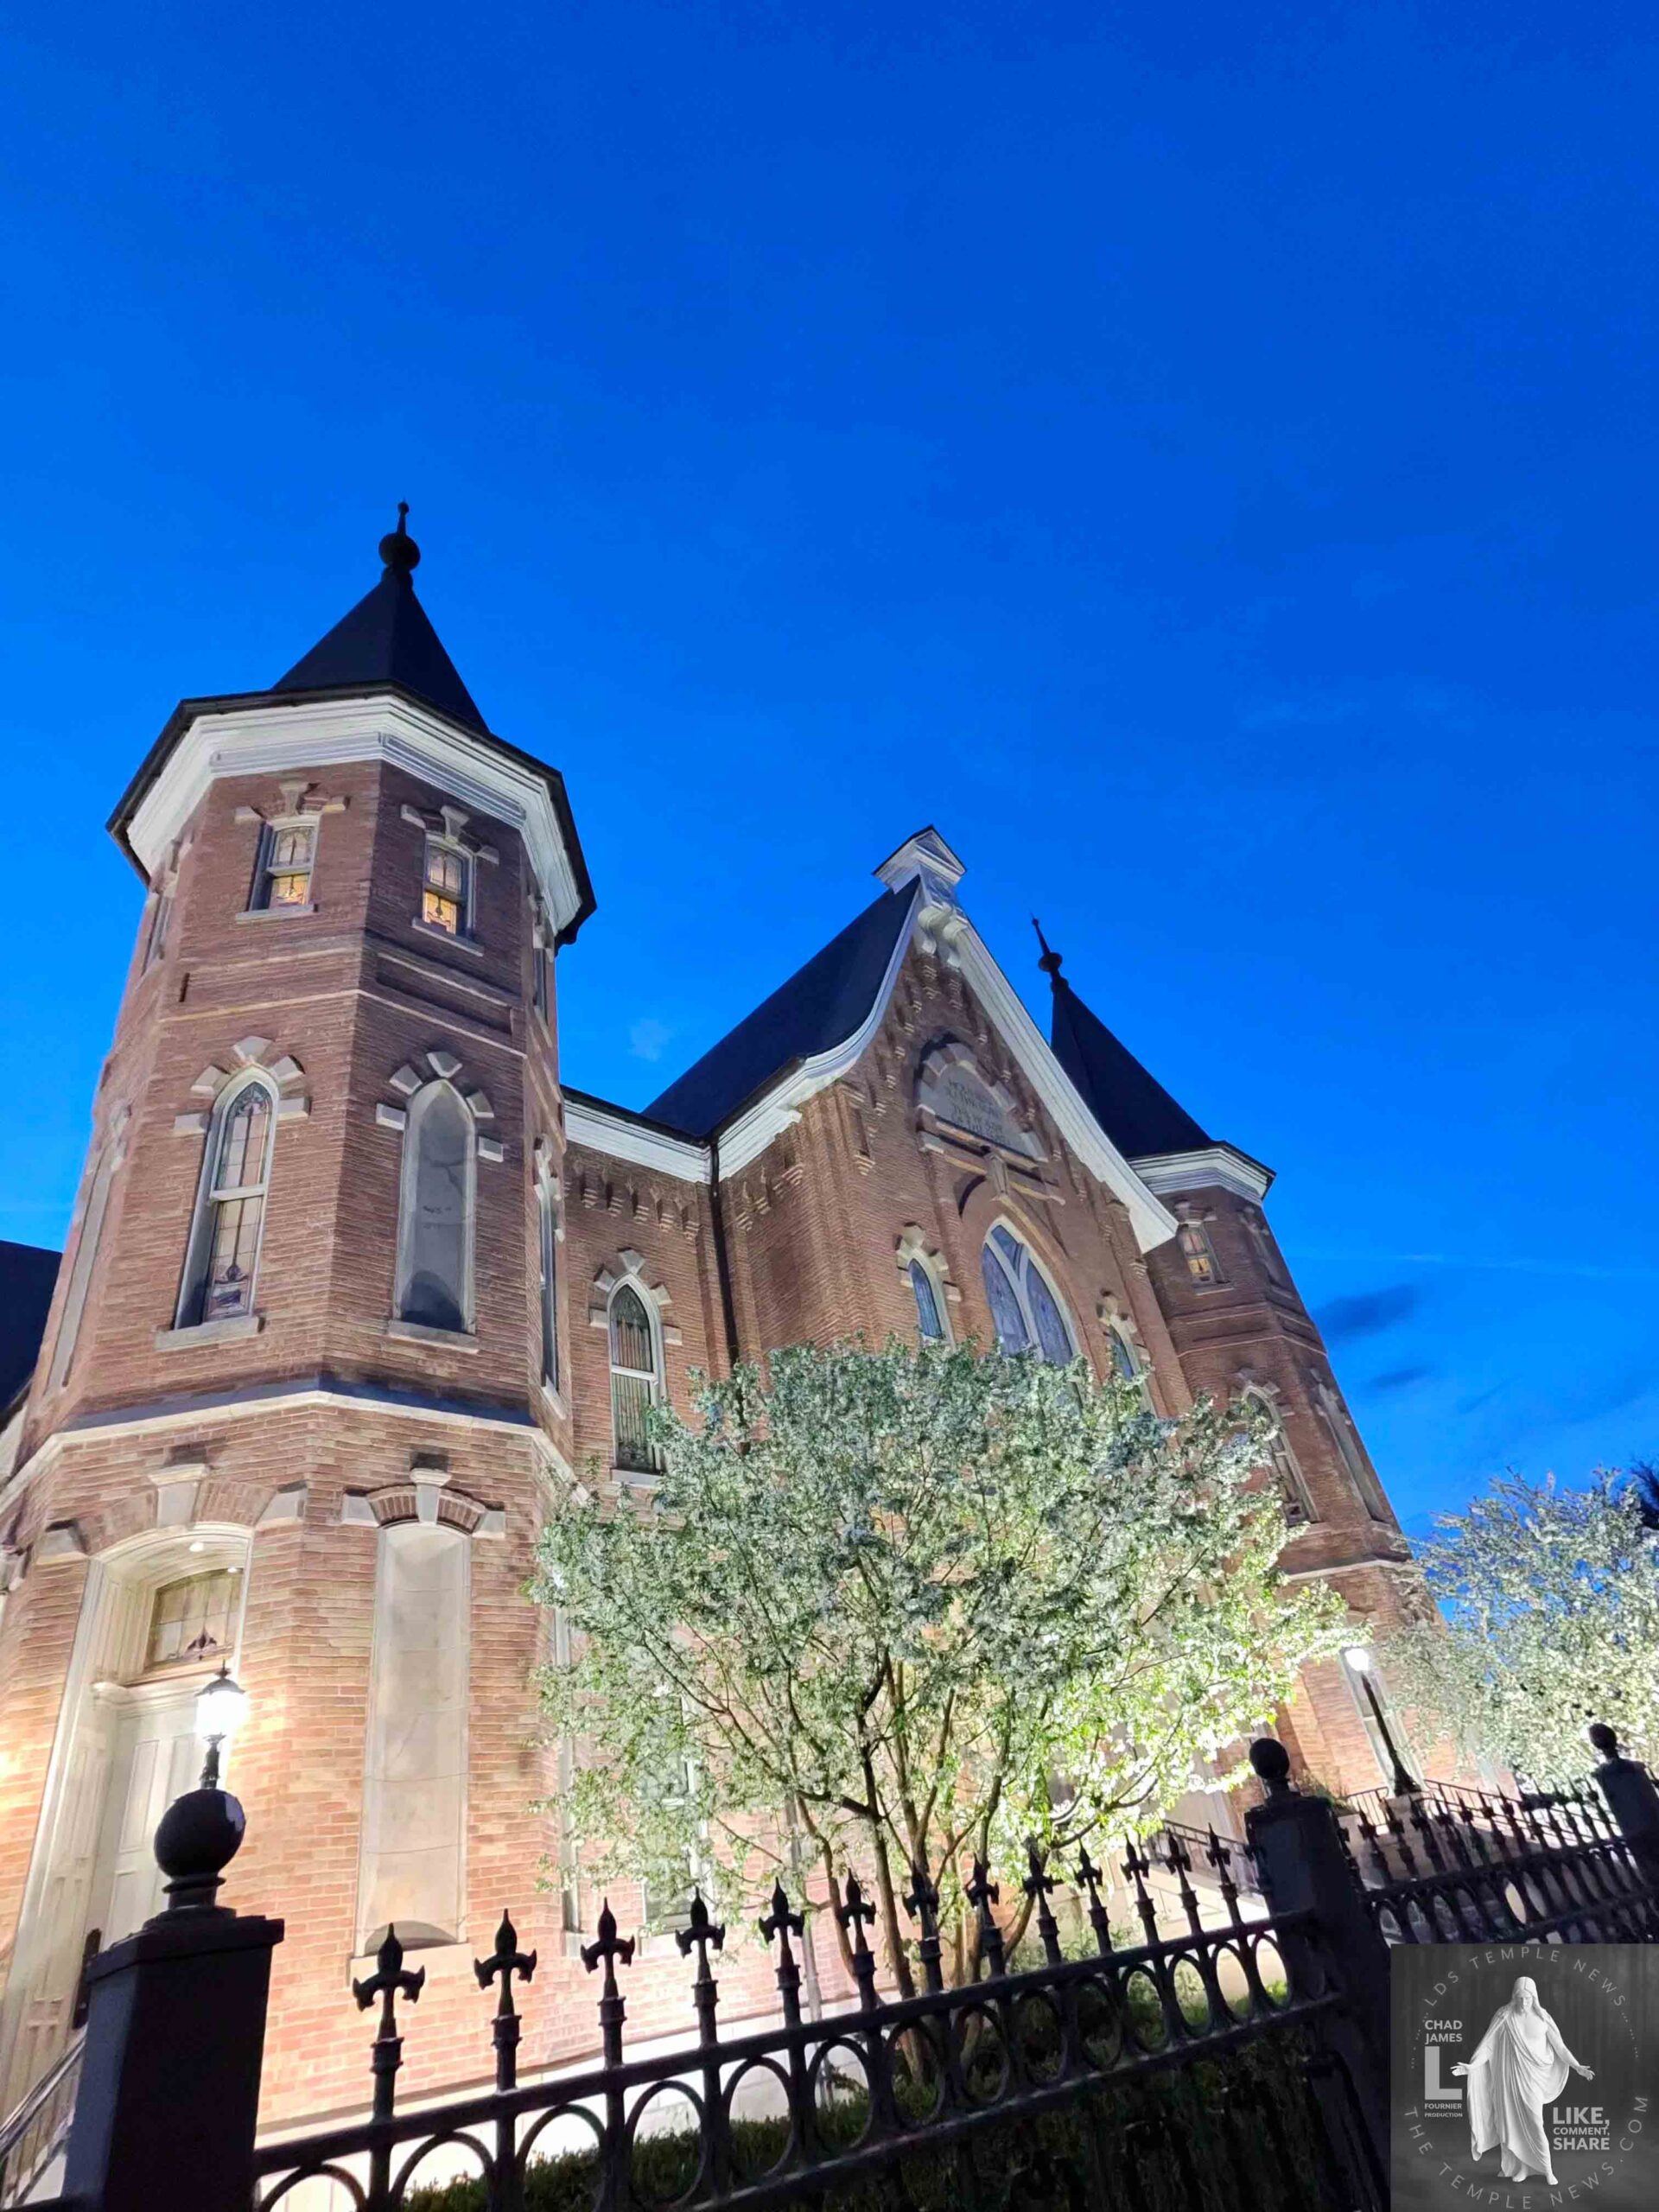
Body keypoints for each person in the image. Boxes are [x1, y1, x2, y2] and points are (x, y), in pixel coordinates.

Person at [1452, 1975, 1595, 2186]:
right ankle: (1522, 2168)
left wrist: (1577, 2066)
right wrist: (1472, 2067)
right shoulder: (1504, 2017)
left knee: (1536, 2123)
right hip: (1509, 2080)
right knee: (1512, 2124)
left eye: (1527, 1998)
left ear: (1534, 1998)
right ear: (1514, 1997)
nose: (1523, 2003)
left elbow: (1560, 2047)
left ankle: (1547, 2170)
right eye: (1519, 1998)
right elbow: (1488, 2047)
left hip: (1533, 2079)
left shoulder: (1543, 2018)